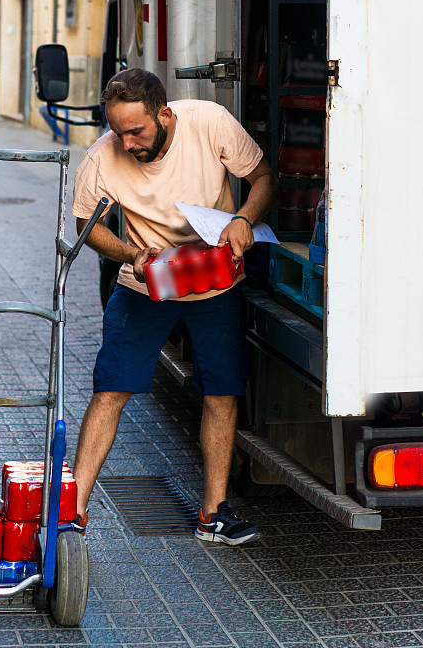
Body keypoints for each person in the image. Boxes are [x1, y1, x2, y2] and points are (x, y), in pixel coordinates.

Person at [71, 68, 278, 545]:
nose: (127, 143)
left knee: (222, 392)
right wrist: (131, 254)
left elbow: (265, 177)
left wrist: (244, 218)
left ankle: (213, 515)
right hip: (146, 285)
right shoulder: (102, 157)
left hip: (215, 283)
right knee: (110, 390)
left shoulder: (210, 122)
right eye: (118, 132)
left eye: (136, 131)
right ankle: (73, 512)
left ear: (164, 114)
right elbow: (87, 226)